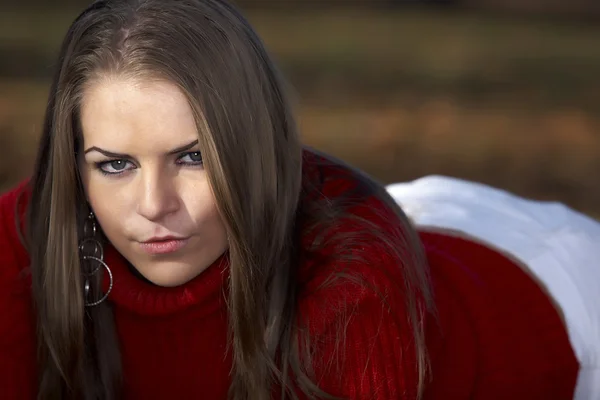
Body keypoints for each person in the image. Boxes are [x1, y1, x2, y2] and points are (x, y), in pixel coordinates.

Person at [0, 0, 591, 399]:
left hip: (550, 281)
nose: (153, 205)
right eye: (116, 165)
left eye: (193, 157)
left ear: (257, 149)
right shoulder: (30, 234)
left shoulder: (353, 287)